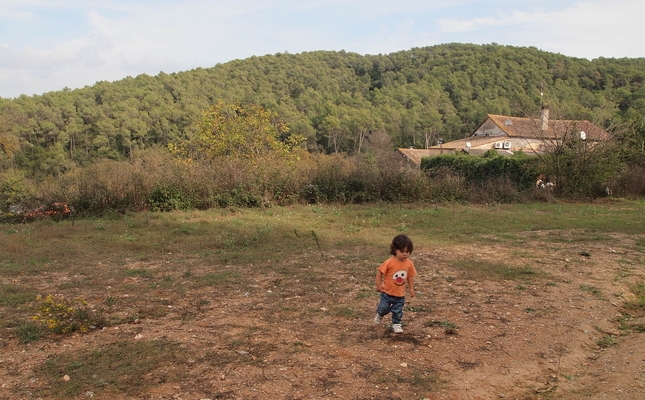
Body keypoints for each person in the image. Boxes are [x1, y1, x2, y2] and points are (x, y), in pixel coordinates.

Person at [374, 234, 417, 333]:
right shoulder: (389, 262)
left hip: (400, 294)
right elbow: (380, 271)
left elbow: (410, 276)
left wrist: (411, 288)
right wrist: (378, 285)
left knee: (398, 311)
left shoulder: (409, 263)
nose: (405, 254)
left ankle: (396, 324)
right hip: (387, 293)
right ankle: (379, 315)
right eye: (402, 251)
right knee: (383, 308)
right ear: (395, 250)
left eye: (407, 251)